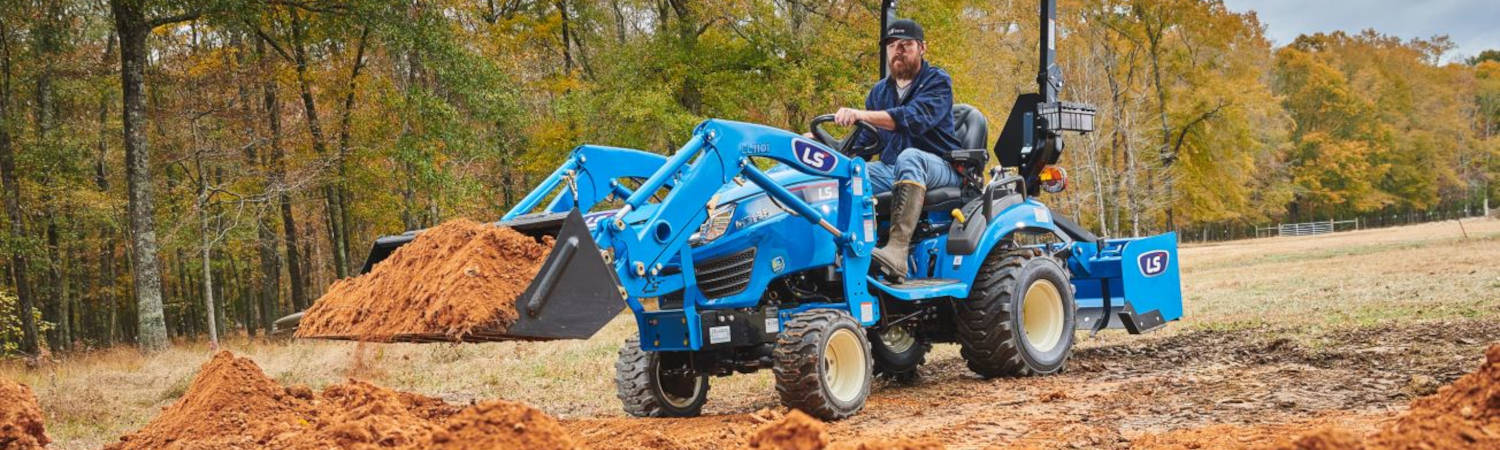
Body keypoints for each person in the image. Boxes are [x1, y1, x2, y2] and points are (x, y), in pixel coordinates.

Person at [828, 18, 962, 278]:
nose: (898, 50)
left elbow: (911, 120)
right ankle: (837, 250)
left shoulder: (937, 81)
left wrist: (861, 114)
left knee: (909, 157)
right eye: (892, 45)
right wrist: (823, 144)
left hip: (941, 167)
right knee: (849, 174)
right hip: (893, 169)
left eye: (905, 44)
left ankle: (897, 251)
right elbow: (863, 145)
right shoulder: (880, 92)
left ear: (921, 48)